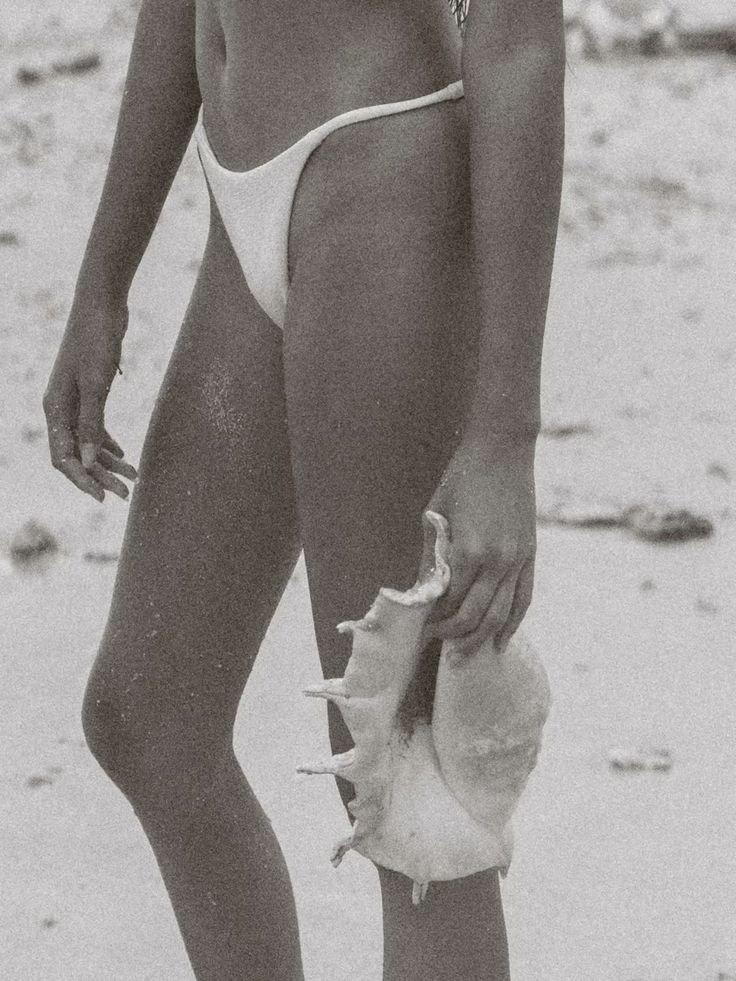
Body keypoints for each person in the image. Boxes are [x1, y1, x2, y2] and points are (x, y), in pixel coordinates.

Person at [42, 0, 565, 977]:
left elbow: (520, 37)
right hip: (243, 181)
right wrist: (102, 281)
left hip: (386, 180)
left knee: (409, 801)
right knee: (149, 719)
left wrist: (503, 436)